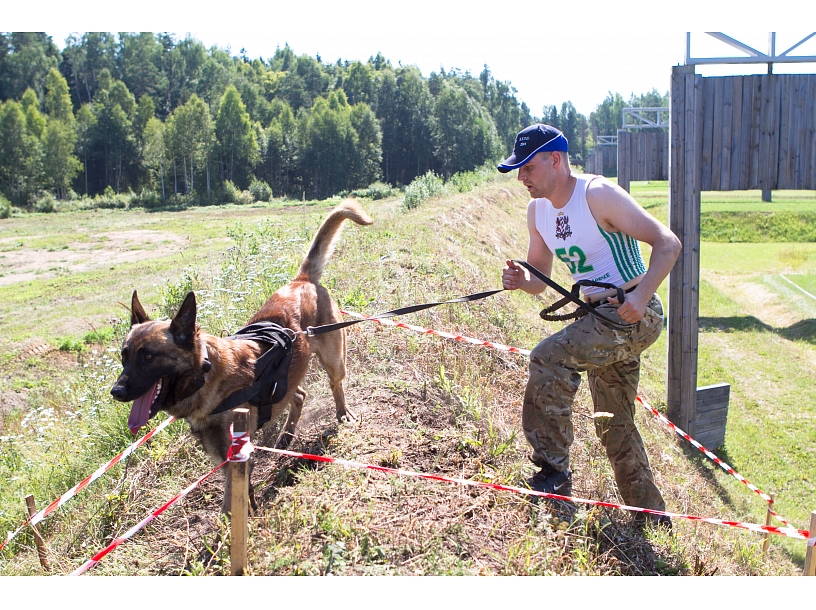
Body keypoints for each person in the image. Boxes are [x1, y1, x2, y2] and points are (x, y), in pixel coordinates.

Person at [498, 124, 681, 524]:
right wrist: (520, 280)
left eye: (527, 167)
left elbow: (668, 243)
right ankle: (651, 516)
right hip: (598, 316)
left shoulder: (597, 195)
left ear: (556, 160)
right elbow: (539, 277)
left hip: (634, 314)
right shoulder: (538, 212)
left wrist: (641, 295)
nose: (521, 178)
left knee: (549, 358)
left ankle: (553, 475)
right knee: (613, 425)